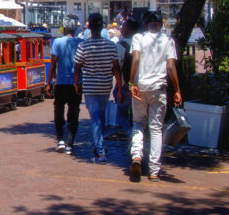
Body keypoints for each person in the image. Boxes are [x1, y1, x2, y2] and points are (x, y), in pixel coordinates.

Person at [129, 11, 182, 182]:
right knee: (156, 129)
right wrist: (177, 90)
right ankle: (154, 171)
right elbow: (171, 66)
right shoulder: (168, 41)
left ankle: (136, 156)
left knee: (138, 123)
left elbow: (136, 59)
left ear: (146, 24)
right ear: (160, 24)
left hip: (140, 87)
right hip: (159, 88)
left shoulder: (138, 38)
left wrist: (132, 83)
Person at [74, 13, 123, 164]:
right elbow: (116, 69)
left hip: (90, 87)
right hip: (105, 86)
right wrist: (120, 89)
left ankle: (100, 151)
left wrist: (77, 84)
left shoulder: (83, 46)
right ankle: (99, 147)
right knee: (100, 117)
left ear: (89, 27)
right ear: (102, 27)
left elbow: (77, 68)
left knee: (95, 118)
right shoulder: (110, 46)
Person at [46, 14, 82, 155]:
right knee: (74, 112)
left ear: (65, 27)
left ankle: (60, 139)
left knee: (58, 111)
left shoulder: (58, 42)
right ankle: (70, 143)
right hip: (77, 84)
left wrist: (48, 83)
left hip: (61, 82)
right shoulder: (81, 42)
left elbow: (53, 63)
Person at [114, 19, 140, 137]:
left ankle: (131, 136)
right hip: (140, 83)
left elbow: (116, 69)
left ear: (128, 29)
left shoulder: (120, 46)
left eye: (123, 27)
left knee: (122, 115)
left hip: (125, 84)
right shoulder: (142, 44)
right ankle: (137, 135)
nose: (120, 29)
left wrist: (119, 88)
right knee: (137, 115)